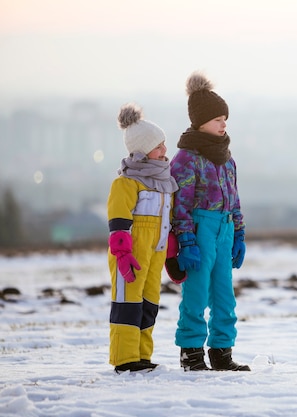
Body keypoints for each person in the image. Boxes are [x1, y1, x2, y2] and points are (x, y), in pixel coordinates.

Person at [170, 71, 249, 371]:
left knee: (223, 295)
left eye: (225, 118)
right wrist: (187, 241)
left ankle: (222, 352)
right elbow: (181, 206)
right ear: (201, 121)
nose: (223, 124)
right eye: (218, 119)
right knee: (196, 293)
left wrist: (239, 232)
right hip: (201, 231)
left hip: (225, 228)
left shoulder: (227, 159)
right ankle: (191, 352)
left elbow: (235, 199)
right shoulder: (186, 159)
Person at [107, 103, 178, 374]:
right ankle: (125, 358)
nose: (164, 151)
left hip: (155, 255)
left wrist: (170, 249)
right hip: (131, 255)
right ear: (141, 151)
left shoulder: (164, 183)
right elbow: (119, 222)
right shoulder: (127, 183)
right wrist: (122, 254)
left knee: (149, 304)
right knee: (128, 304)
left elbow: (165, 221)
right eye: (158, 146)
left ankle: (142, 356)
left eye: (164, 144)